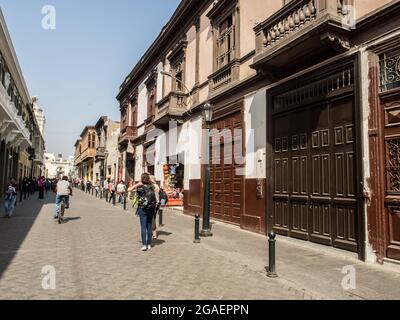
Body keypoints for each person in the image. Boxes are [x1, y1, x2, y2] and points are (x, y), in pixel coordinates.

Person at [128, 173, 158, 251]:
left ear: (141, 179)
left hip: (142, 208)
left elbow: (129, 189)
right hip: (151, 208)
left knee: (143, 226)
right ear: (148, 179)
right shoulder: (152, 186)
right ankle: (149, 244)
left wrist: (138, 184)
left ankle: (144, 245)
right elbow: (158, 189)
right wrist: (151, 181)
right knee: (149, 225)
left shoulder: (140, 186)